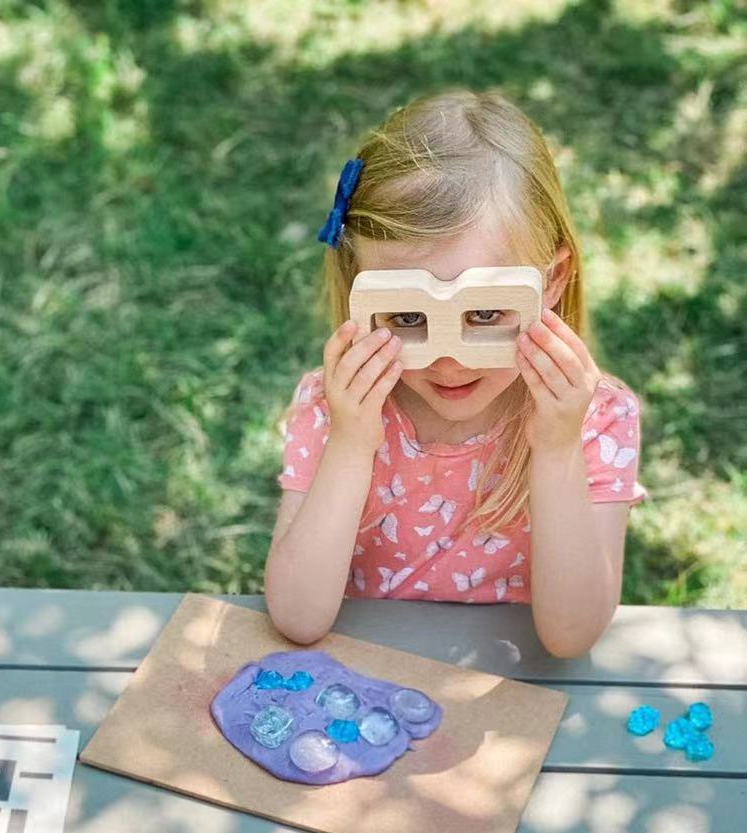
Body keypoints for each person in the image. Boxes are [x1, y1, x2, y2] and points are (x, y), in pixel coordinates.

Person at [265, 90, 644, 658]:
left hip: (513, 688)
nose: (449, 362)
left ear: (553, 280)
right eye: (408, 317)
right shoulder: (336, 407)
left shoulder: (594, 418)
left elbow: (571, 636)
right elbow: (297, 616)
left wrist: (557, 449)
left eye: (486, 313)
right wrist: (351, 443)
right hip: (365, 681)